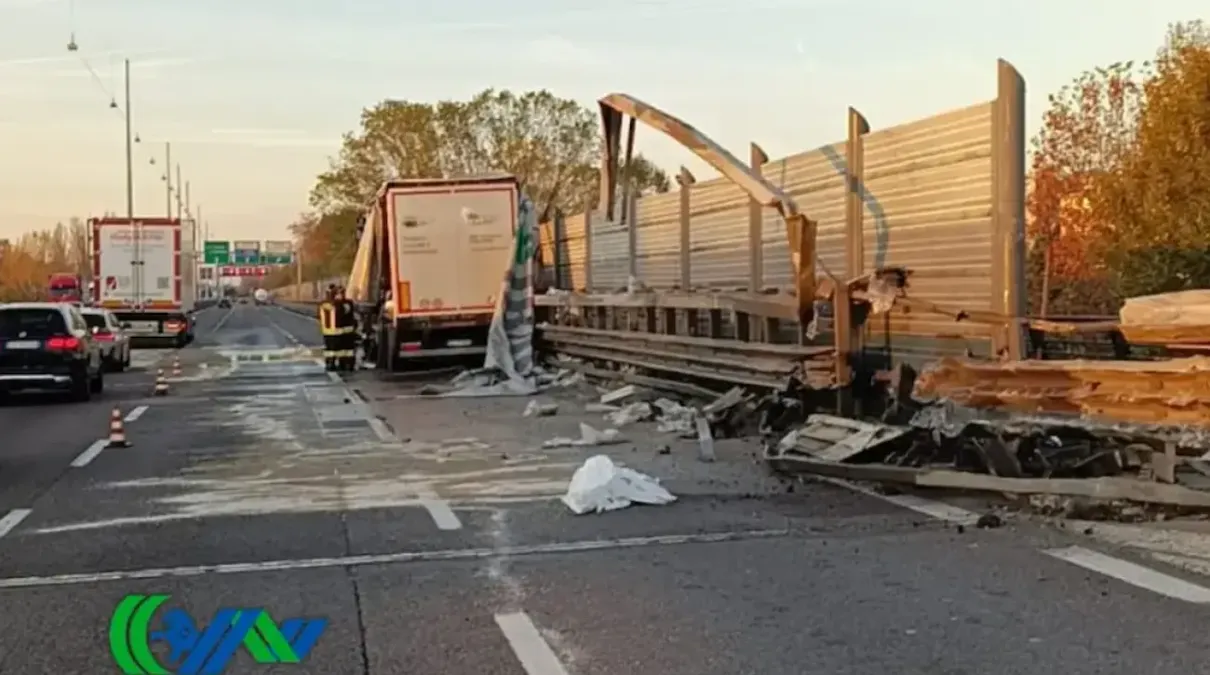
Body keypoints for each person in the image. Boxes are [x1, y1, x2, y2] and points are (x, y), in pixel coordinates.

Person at [333, 286, 358, 371]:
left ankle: (347, 364)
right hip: (346, 330)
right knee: (345, 349)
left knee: (346, 349)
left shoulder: (339, 303)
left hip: (344, 331)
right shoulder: (347, 303)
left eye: (342, 293)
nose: (341, 295)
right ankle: (345, 364)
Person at [318, 286, 339, 371]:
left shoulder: (323, 304)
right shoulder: (334, 304)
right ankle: (331, 363)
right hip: (334, 331)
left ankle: (328, 363)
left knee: (328, 348)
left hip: (326, 330)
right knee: (333, 348)